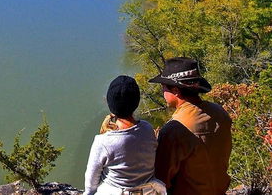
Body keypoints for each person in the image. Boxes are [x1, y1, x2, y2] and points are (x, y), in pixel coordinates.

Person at [149, 57, 232, 195]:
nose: (162, 91)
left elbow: (161, 180)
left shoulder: (174, 130)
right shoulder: (220, 112)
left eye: (163, 86)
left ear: (175, 91)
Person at [84, 75, 166, 195]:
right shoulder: (147, 128)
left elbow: (91, 179)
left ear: (109, 103)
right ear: (136, 102)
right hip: (148, 191)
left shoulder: (103, 141)